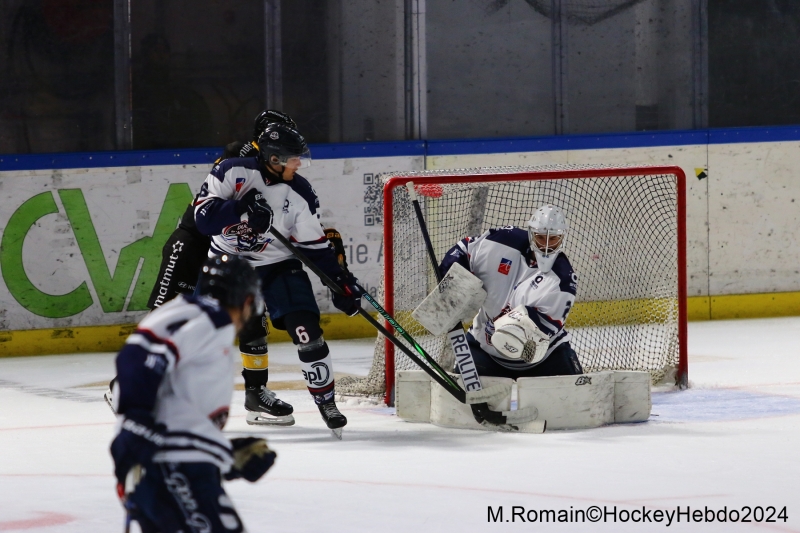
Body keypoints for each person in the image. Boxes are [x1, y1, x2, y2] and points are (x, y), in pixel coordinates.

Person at [194, 122, 361, 437]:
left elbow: (314, 248)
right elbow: (203, 220)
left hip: (278, 265)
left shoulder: (300, 193)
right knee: (208, 337)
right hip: (228, 263)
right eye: (293, 159)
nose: (299, 164)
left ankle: (326, 402)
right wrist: (241, 209)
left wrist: (340, 281)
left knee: (307, 328)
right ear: (273, 159)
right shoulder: (230, 172)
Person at [110, 255, 276, 532]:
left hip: (176, 459)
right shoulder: (209, 318)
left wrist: (223, 454)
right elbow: (136, 358)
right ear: (247, 301)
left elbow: (174, 402)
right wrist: (136, 429)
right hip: (172, 462)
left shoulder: (197, 318)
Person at [439, 204, 584, 379]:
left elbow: (535, 335)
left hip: (545, 358)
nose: (546, 245)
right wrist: (451, 278)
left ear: (562, 239)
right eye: (540, 237)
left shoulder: (563, 280)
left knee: (574, 402)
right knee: (458, 404)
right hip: (484, 350)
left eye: (552, 239)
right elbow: (463, 249)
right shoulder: (502, 242)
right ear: (531, 234)